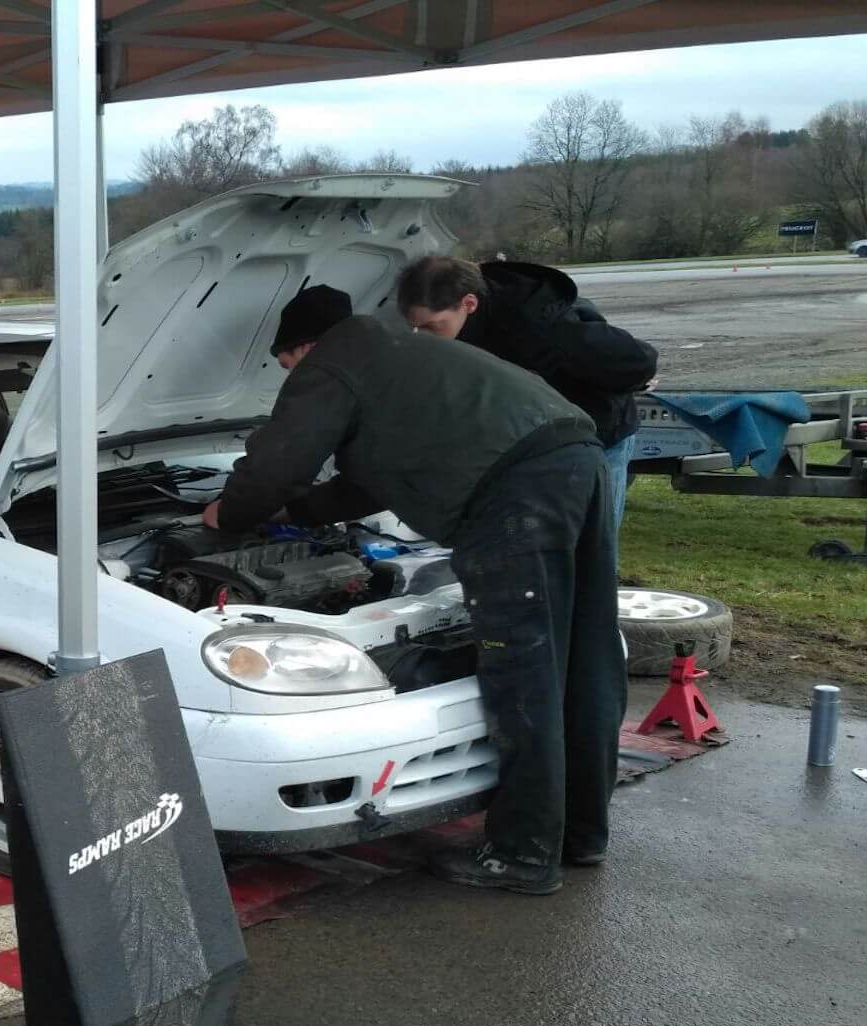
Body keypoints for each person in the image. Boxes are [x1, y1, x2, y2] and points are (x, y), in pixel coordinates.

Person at [201, 285, 624, 895]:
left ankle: (524, 854)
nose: (288, 379)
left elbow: (278, 462)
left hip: (514, 494)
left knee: (523, 667)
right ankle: (581, 832)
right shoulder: (400, 353)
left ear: (302, 348)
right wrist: (296, 515)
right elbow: (373, 481)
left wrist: (231, 514)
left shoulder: (332, 364)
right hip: (571, 461)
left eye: (284, 365)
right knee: (582, 650)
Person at [396, 255, 657, 540]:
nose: (424, 337)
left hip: (600, 433)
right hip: (535, 441)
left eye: (433, 326)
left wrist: (632, 381)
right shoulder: (459, 324)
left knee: (590, 548)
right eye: (416, 327)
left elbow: (638, 359)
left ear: (468, 304)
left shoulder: (538, 324)